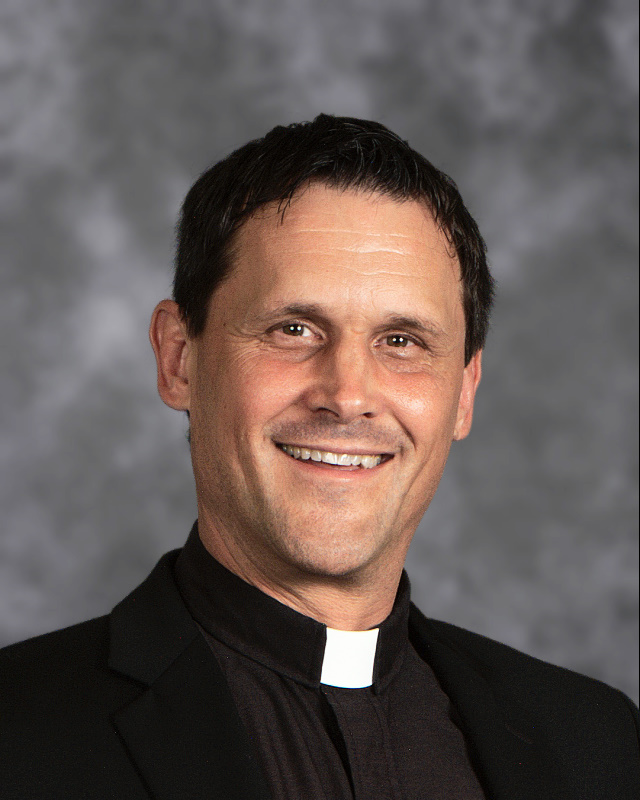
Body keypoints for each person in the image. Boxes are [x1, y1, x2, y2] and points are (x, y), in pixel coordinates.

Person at [1, 115, 637, 800]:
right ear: (179, 359)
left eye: (401, 341)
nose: (347, 395)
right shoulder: (18, 734)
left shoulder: (597, 744)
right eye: (294, 329)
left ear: (464, 392)